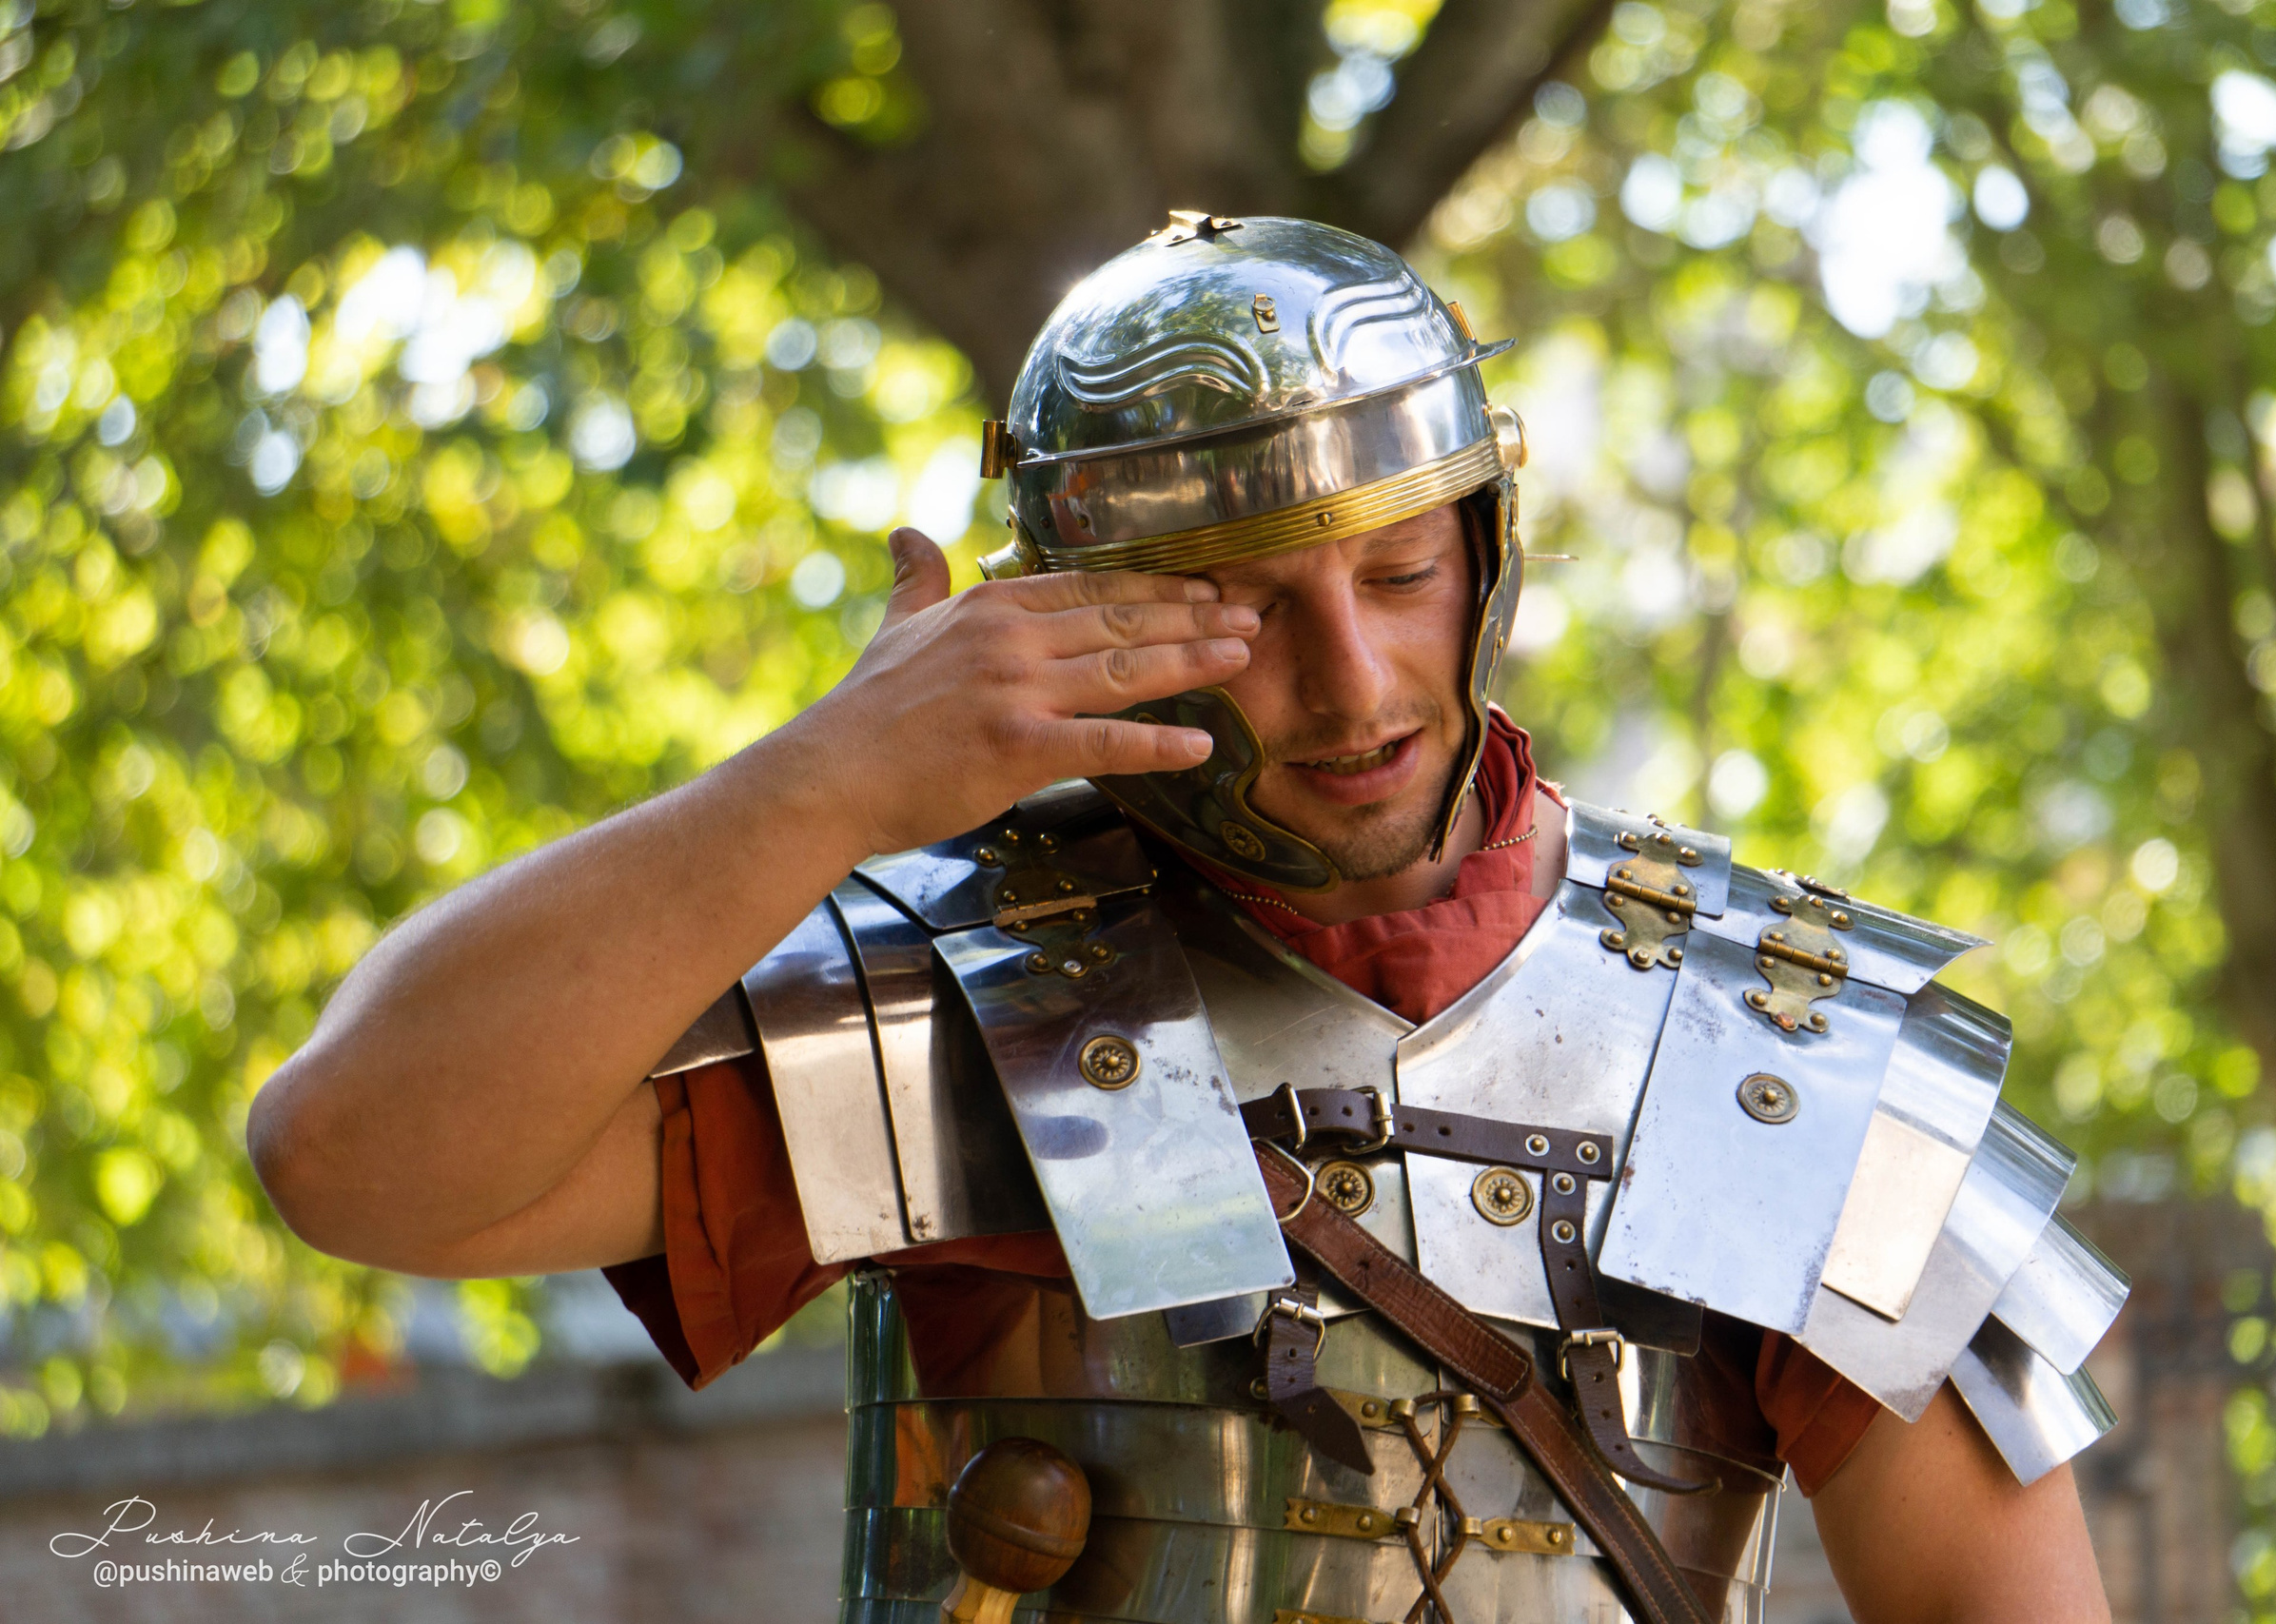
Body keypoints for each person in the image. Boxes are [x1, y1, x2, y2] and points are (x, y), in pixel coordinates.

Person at [250, 213, 2120, 1623]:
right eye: (1237, 607)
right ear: (1070, 619)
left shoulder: (1769, 1043)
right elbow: (356, 1156)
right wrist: (818, 784)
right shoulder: (964, 1002)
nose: (1351, 678)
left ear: (1484, 546)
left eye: (1397, 568)